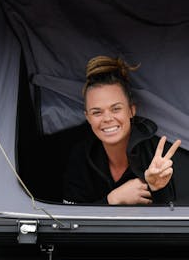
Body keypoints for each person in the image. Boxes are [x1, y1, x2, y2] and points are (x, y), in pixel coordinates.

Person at [62, 55, 181, 205]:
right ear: (88, 118)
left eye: (116, 109)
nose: (107, 118)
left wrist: (157, 188)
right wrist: (113, 199)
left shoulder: (155, 153)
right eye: (97, 112)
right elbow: (70, 216)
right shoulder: (81, 155)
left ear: (131, 110)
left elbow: (173, 219)